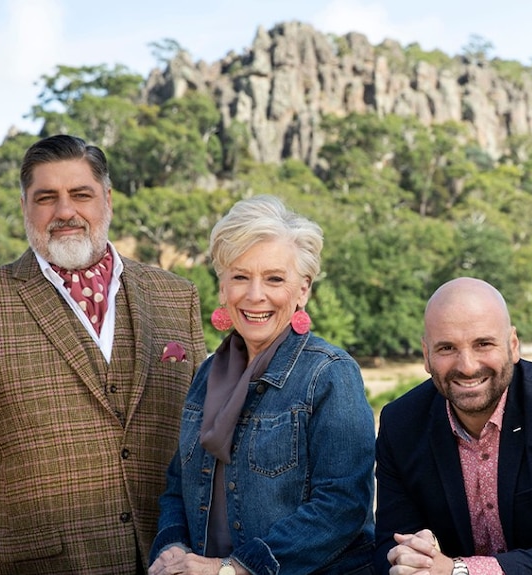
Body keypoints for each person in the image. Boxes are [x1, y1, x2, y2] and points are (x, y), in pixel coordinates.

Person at [0, 134, 206, 575]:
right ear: (25, 206)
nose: (65, 211)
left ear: (106, 199)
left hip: (165, 561)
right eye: (46, 197)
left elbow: (203, 434)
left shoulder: (175, 295)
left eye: (80, 194)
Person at [148, 194, 375, 575]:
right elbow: (177, 486)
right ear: (222, 288)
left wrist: (233, 569)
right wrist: (171, 544)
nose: (255, 295)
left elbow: (342, 506)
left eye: (274, 278)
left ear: (303, 290)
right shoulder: (205, 377)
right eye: (240, 276)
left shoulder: (330, 374)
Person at [375, 277, 532, 575]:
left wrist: (458, 571)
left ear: (513, 345)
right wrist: (412, 558)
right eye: (446, 348)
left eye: (483, 344)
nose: (467, 366)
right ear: (426, 355)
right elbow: (386, 550)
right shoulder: (400, 424)